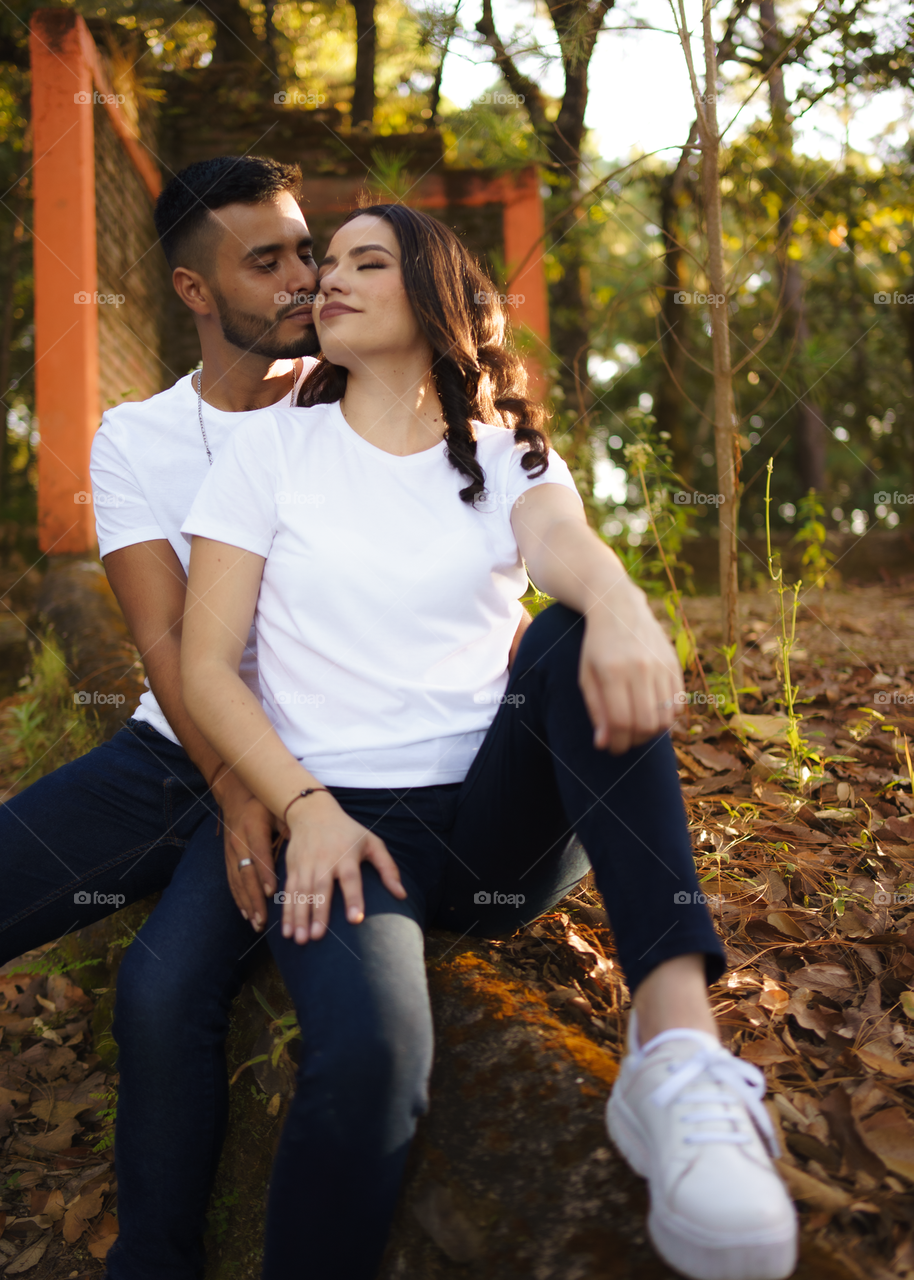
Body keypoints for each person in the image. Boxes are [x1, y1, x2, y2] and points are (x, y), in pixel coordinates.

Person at [180, 203, 799, 1280]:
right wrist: (302, 805)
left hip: (496, 818)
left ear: (431, 297)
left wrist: (618, 602)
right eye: (323, 262)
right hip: (346, 832)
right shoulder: (268, 448)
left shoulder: (503, 442)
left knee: (571, 629)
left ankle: (675, 1048)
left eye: (363, 261)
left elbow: (559, 541)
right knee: (372, 1061)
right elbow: (200, 667)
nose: (326, 276)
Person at [0, 155, 320, 1279]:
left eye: (305, 250)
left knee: (165, 986)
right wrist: (228, 792)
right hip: (172, 749)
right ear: (194, 291)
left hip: (311, 767)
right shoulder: (138, 436)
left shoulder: (354, 402)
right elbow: (162, 635)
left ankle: (156, 1261)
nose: (301, 277)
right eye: (267, 258)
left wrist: (263, 792)